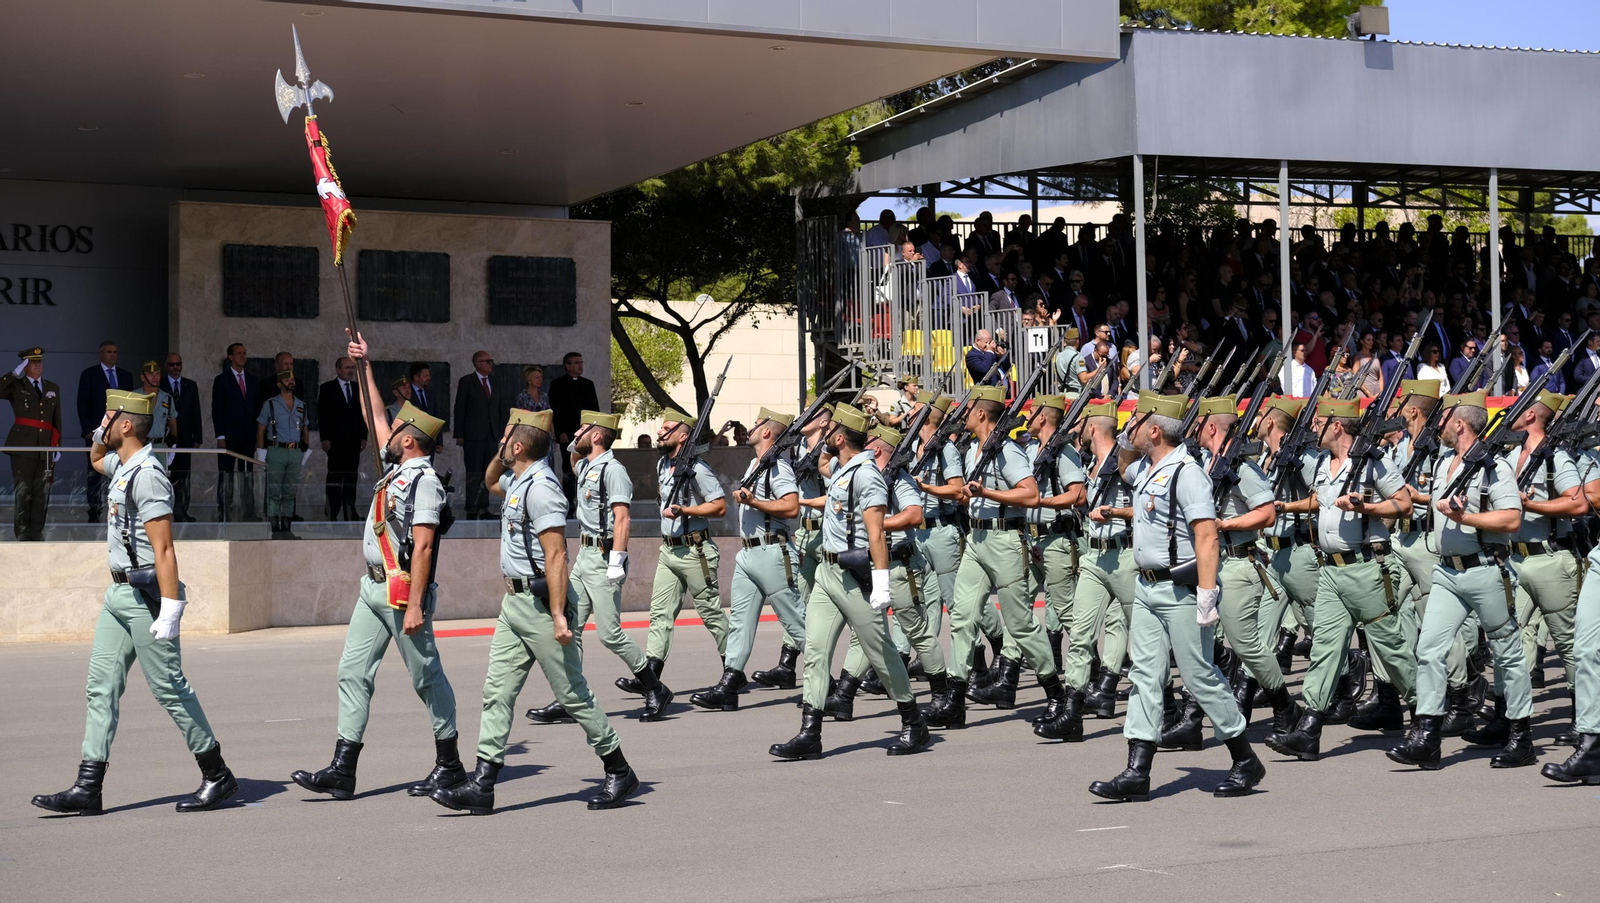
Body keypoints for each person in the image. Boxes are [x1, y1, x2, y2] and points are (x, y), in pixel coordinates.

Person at [31, 389, 237, 815]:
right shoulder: (124, 465)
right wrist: (97, 435)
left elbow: (164, 550)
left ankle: (217, 774)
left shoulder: (148, 475)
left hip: (146, 596)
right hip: (118, 594)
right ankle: (88, 787)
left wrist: (170, 608)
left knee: (169, 687)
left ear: (126, 425)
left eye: (108, 416)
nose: (101, 421)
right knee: (100, 687)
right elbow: (93, 460)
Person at [428, 407, 640, 814]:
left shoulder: (541, 487)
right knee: (497, 692)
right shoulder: (517, 480)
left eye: (508, 437)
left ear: (520, 444)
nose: (503, 441)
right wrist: (501, 449)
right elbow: (492, 479)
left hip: (543, 605)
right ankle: (483, 783)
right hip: (515, 604)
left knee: (572, 694)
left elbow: (557, 554)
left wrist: (560, 614)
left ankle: (619, 769)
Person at [291, 330, 463, 804]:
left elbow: (424, 548)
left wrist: (413, 606)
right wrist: (365, 366)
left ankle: (449, 765)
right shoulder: (399, 467)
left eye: (395, 431)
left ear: (409, 440)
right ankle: (343, 770)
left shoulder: (424, 482)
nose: (384, 433)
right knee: (352, 672)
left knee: (427, 677)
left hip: (401, 590)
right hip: (373, 588)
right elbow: (376, 414)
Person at [1088, 391, 1265, 802]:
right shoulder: (1151, 468)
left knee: (1200, 675)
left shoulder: (1187, 472)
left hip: (1181, 589)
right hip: (1148, 586)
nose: (1128, 425)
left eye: (1137, 421)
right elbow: (1123, 464)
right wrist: (1129, 438)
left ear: (1155, 429)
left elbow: (1206, 535)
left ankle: (1244, 759)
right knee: (1145, 676)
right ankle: (1137, 769)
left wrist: (1207, 594)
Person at [769, 403, 931, 759]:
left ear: (841, 437)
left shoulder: (867, 474)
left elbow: (875, 532)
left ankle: (913, 721)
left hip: (853, 576)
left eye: (831, 431)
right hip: (827, 574)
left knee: (881, 651)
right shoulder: (843, 469)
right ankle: (810, 732)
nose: (825, 435)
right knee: (815, 651)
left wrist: (882, 582)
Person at [1267, 396, 1417, 762]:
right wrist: (1288, 507)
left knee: (1391, 649)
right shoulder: (1324, 464)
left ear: (1338, 425)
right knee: (1324, 650)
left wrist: (1367, 507)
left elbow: (1404, 503)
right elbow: (1321, 501)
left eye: (1320, 421)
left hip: (1367, 568)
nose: (1314, 427)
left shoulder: (1371, 464)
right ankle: (1309, 728)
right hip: (1331, 570)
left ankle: (1427, 714)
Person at [1388, 390, 1532, 771]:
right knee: (1429, 649)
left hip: (1487, 569)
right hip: (1447, 572)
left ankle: (1520, 736)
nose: (1437, 424)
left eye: (1444, 418)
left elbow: (1511, 520)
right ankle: (1428, 735)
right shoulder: (1444, 464)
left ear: (1459, 423)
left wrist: (1465, 518)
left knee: (1507, 652)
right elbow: (1437, 505)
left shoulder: (1493, 468)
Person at [924, 385, 1065, 728]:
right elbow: (965, 493)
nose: (963, 414)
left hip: (1004, 540)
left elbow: (1030, 495)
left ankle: (1057, 695)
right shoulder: (973, 449)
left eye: (968, 409)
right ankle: (954, 702)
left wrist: (986, 491)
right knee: (962, 618)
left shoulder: (1007, 451)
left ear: (982, 413)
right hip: (977, 537)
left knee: (1020, 623)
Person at [525, 409, 670, 725]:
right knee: (571, 628)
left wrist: (617, 559)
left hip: (605, 557)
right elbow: (576, 461)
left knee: (610, 633)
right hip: (584, 556)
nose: (576, 433)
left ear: (595, 435)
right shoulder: (590, 466)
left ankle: (655, 688)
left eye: (582, 429)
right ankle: (571, 697)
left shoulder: (613, 470)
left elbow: (622, 517)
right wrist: (571, 445)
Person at [1190, 394, 1298, 736]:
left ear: (1210, 426)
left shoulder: (1242, 468)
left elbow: (1266, 514)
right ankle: (1196, 718)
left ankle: (1285, 705)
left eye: (1197, 423)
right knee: (1199, 641)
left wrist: (1224, 525)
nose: (1192, 429)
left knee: (1246, 644)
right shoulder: (1208, 464)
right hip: (1212, 563)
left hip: (1239, 565)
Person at [824, 422, 948, 718]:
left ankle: (943, 698)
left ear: (877, 449)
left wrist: (876, 524)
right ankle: (845, 695)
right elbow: (824, 462)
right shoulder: (862, 476)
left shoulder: (898, 479)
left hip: (900, 566)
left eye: (868, 443)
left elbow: (914, 515)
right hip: (870, 565)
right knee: (866, 633)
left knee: (916, 631)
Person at [697, 408, 806, 712]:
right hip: (748, 553)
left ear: (768, 432)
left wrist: (754, 500)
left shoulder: (777, 467)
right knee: (740, 623)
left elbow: (791, 507)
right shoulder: (754, 464)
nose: (752, 428)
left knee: (797, 623)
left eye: (758, 425)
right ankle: (729, 684)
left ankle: (826, 683)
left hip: (773, 551)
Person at [626, 406, 728, 699]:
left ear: (682, 436)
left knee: (711, 613)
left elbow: (719, 506)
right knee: (659, 614)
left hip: (695, 550)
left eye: (666, 428)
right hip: (669, 551)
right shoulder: (662, 465)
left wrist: (687, 509)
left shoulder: (698, 467)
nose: (659, 432)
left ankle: (733, 670)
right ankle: (651, 676)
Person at [1502, 391, 1585, 745]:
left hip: (1552, 558)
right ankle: (1511, 722)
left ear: (1532, 417)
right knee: (1511, 640)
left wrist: (1533, 505)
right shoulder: (1511, 457)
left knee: (1567, 643)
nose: (1510, 413)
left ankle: (1583, 717)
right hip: (1516, 559)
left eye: (1518, 409)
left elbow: (1577, 503)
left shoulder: (1556, 459)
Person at [1060, 399, 1135, 732]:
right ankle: (1071, 712)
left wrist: (1116, 513)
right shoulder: (1091, 464)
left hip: (1124, 556)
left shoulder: (1126, 463)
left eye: (1082, 425)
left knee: (1150, 639)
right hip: (1093, 556)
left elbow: (1149, 506)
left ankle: (1171, 709)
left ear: (1092, 427)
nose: (1079, 431)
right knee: (1080, 635)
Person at [1022, 394, 1089, 739]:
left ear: (1044, 417)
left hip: (1058, 541)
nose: (1027, 418)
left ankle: (1082, 688)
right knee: (1021, 610)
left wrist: (1042, 501)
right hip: (1033, 540)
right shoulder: (1035, 450)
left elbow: (1078, 494)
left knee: (1066, 614)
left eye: (1032, 413)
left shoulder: (1063, 451)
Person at [2, 347, 61, 541]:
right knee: (23, 492)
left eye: (40, 361)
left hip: (45, 447)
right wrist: (13, 374)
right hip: (23, 447)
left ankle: (37, 534)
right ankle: (22, 535)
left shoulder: (52, 387)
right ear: (24, 365)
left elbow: (56, 420)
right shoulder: (16, 385)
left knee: (42, 494)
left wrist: (57, 446)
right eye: (32, 362)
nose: (38, 365)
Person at [76, 340, 132, 522]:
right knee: (95, 474)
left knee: (119, 472)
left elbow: (130, 407)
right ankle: (94, 511)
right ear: (101, 354)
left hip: (120, 435)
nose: (113, 355)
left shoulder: (125, 376)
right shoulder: (89, 374)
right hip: (96, 434)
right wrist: (87, 431)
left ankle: (117, 511)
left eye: (115, 352)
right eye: (109, 352)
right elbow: (82, 404)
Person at [454, 351, 511, 519]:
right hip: (473, 434)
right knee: (473, 471)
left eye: (491, 361)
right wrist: (460, 434)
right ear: (478, 363)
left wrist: (502, 433)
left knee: (488, 471)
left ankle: (483, 507)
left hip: (491, 434)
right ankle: (471, 507)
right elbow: (460, 408)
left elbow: (500, 408)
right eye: (487, 361)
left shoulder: (495, 382)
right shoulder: (467, 381)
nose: (491, 364)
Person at [255, 369, 310, 538]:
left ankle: (286, 527)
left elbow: (305, 428)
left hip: (294, 451)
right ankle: (274, 528)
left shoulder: (301, 405)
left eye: (292, 378)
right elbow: (261, 429)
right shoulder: (270, 404)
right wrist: (261, 452)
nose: (290, 381)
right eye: (286, 379)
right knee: (274, 490)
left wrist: (305, 449)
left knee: (290, 491)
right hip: (276, 450)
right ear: (279, 384)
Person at [210, 343, 260, 522]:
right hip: (229, 437)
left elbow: (256, 409)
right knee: (226, 474)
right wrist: (220, 436)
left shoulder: (253, 380)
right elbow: (217, 410)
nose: (242, 356)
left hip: (247, 437)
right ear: (230, 356)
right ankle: (224, 511)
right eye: (238, 353)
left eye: (244, 353)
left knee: (247, 475)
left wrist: (256, 436)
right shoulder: (222, 380)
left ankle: (248, 511)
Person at [318, 357, 368, 521]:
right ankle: (332, 512)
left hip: (353, 442)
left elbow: (362, 414)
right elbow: (323, 415)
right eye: (347, 368)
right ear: (338, 369)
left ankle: (350, 511)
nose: (350, 371)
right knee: (334, 478)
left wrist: (363, 436)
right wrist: (325, 438)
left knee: (351, 478)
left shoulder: (357, 388)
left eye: (352, 368)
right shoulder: (327, 388)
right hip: (335, 442)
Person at [549, 351, 599, 501]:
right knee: (568, 467)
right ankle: (570, 500)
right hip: (568, 433)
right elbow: (555, 410)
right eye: (577, 362)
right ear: (568, 366)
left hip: (587, 433)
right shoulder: (557, 384)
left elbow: (594, 410)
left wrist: (594, 431)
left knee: (588, 464)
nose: (580, 365)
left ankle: (587, 497)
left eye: (581, 362)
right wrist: (560, 432)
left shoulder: (588, 384)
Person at [163, 354, 202, 522]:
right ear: (167, 366)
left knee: (184, 476)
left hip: (186, 439)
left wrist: (197, 437)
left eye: (178, 364)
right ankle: (166, 511)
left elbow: (196, 412)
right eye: (172, 364)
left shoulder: (190, 385)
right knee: (166, 476)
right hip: (166, 439)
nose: (175, 367)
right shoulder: (161, 384)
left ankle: (182, 511)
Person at [138, 361, 177, 448]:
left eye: (157, 374)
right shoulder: (134, 397)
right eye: (150, 374)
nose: (155, 377)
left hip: (161, 446)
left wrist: (173, 444)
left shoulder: (167, 398)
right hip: (140, 446)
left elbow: (172, 423)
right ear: (142, 377)